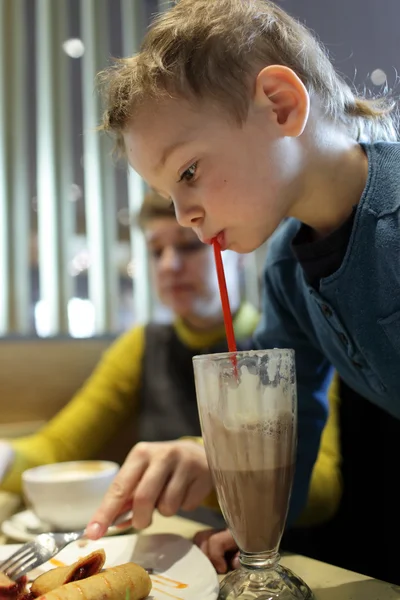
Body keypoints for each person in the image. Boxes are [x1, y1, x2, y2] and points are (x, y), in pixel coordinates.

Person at [88, 0, 399, 581]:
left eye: (187, 173)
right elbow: (291, 427)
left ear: (280, 105)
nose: (183, 216)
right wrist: (247, 514)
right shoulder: (285, 271)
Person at [0, 190, 259, 512]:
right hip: (171, 542)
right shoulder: (141, 345)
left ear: (239, 249)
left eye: (189, 245)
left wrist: (216, 461)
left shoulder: (281, 341)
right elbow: (60, 446)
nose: (168, 265)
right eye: (155, 251)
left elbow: (320, 486)